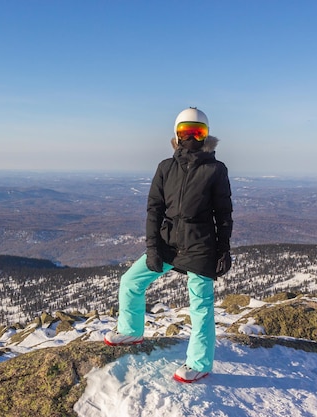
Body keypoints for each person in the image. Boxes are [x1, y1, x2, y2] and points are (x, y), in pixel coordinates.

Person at [104, 107, 233, 383]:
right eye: (186, 131)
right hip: (168, 242)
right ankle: (131, 330)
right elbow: (154, 210)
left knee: (201, 303)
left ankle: (200, 362)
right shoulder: (166, 167)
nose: (192, 137)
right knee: (131, 281)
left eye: (198, 132)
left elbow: (223, 214)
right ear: (177, 134)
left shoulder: (215, 169)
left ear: (206, 136)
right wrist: (152, 248)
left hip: (200, 245)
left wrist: (224, 250)